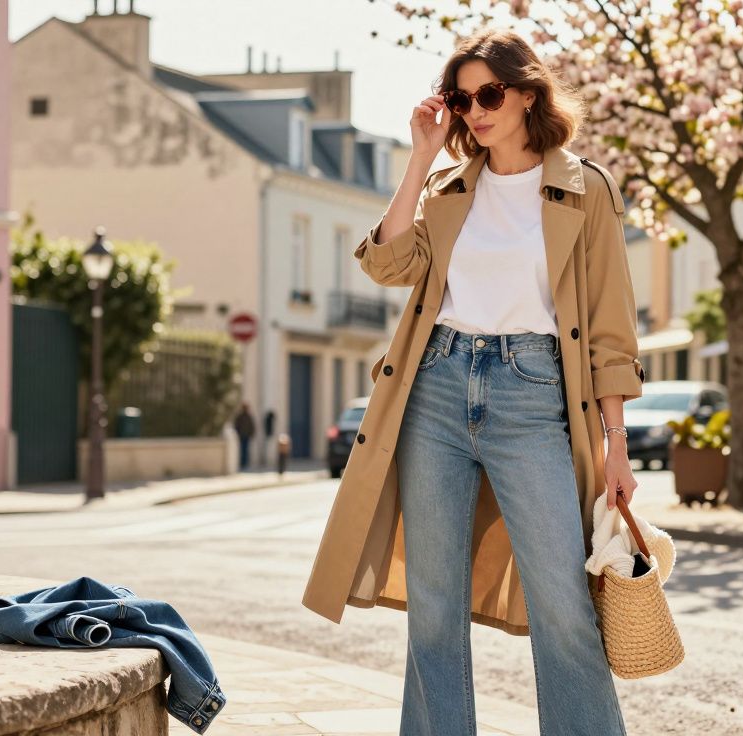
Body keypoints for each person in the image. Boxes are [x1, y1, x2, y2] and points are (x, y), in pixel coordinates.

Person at [301, 27, 642, 736]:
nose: (477, 111)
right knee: (433, 608)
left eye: (489, 94)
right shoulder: (447, 187)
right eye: (463, 99)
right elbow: (388, 265)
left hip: (534, 393)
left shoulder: (586, 190)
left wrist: (617, 443)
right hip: (438, 388)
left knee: (563, 604)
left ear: (526, 93)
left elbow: (611, 325)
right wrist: (421, 154)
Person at [232, 402, 255, 470]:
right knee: (242, 449)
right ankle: (242, 463)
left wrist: (251, 433)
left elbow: (252, 426)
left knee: (246, 449)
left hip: (246, 436)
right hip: (241, 436)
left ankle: (245, 463)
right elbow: (236, 425)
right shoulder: (240, 416)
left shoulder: (249, 416)